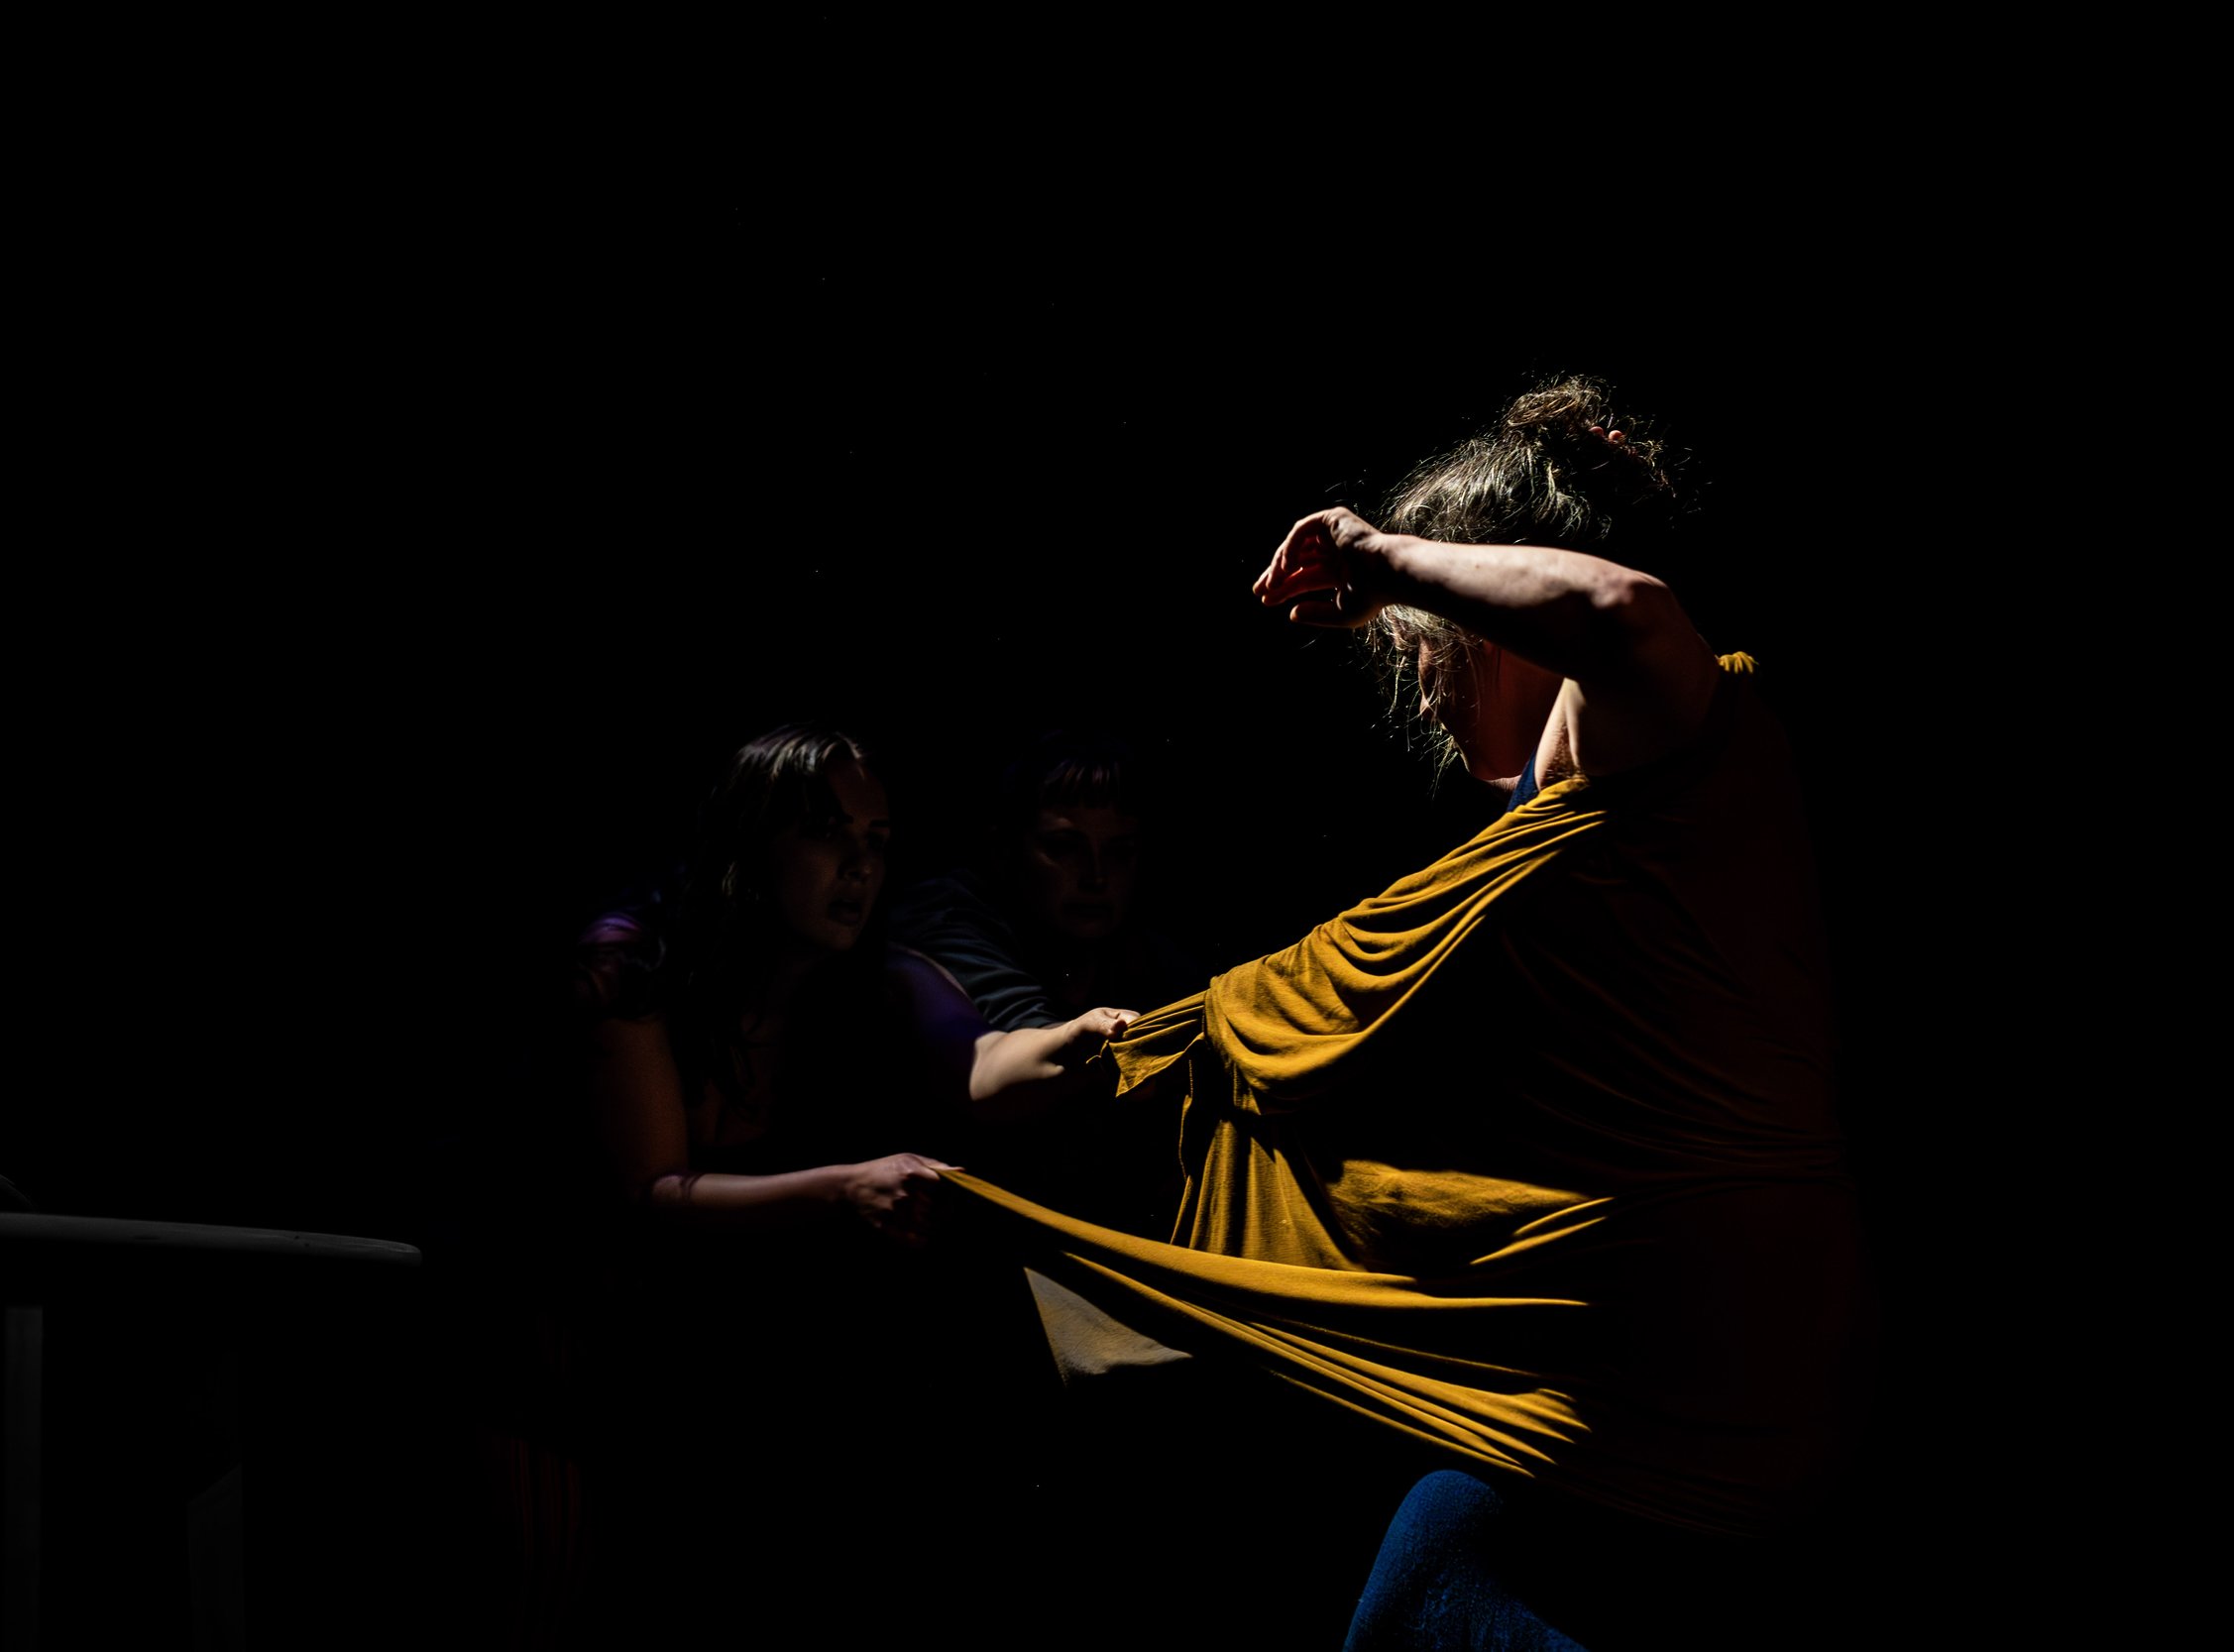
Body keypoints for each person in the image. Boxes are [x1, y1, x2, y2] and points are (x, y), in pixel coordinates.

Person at [945, 378, 1874, 1646]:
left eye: (1418, 640)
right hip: (1646, 1349)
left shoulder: (1646, 731)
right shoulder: (1557, 826)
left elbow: (1620, 612)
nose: (1417, 681)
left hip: (1704, 1355)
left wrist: (1377, 554)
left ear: (1480, 610)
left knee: (1433, 1569)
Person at [552, 722, 1134, 1645]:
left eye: (877, 840)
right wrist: (847, 1186)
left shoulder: (876, 973)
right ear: (754, 839)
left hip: (722, 1364)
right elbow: (651, 1192)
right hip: (566, 1344)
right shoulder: (630, 963)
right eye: (829, 834)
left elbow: (981, 1062)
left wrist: (1085, 1036)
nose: (860, 866)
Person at [890, 727, 1201, 1229]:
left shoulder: (1141, 948)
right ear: (1003, 848)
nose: (1096, 875)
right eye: (1064, 847)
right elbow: (1014, 1034)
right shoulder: (945, 917)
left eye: (1119, 851)